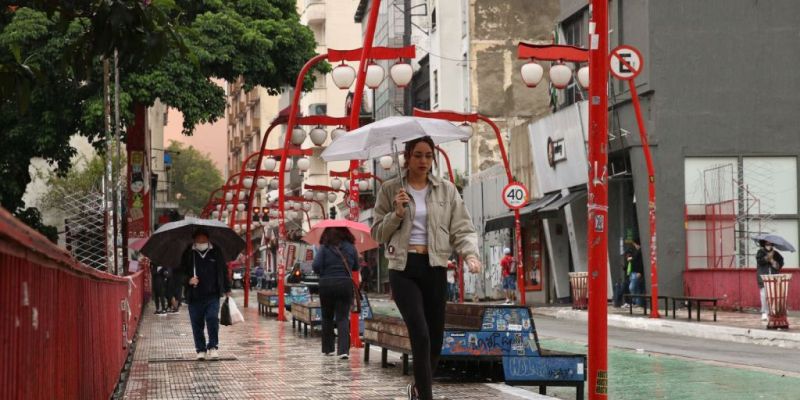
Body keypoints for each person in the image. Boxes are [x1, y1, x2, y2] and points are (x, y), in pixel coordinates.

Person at [372, 136, 482, 400]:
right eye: (418, 155)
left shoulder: (446, 189)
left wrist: (470, 255)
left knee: (435, 339)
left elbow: (462, 228)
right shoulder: (390, 190)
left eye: (428, 156)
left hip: (434, 266)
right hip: (403, 267)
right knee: (420, 334)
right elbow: (377, 233)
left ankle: (419, 388)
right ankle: (425, 397)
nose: (423, 161)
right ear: (407, 157)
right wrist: (396, 213)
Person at [178, 228, 232, 361]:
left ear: (208, 239)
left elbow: (223, 271)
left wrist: (227, 288)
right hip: (194, 296)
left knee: (212, 319)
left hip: (212, 295)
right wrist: (188, 280)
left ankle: (213, 346)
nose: (201, 241)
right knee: (197, 323)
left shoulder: (216, 252)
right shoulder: (188, 253)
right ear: (194, 240)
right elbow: (179, 273)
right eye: (198, 239)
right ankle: (200, 349)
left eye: (203, 239)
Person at [312, 227, 359, 360]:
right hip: (344, 284)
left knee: (327, 317)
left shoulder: (325, 247)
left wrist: (323, 271)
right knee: (343, 317)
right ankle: (343, 350)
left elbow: (315, 266)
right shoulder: (351, 247)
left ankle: (328, 348)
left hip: (326, 284)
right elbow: (356, 266)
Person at [756, 240, 784, 321]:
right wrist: (767, 257)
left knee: (773, 295)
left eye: (770, 244)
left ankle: (772, 311)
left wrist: (772, 261)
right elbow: (760, 261)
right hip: (763, 277)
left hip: (774, 277)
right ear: (763, 244)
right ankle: (764, 312)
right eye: (766, 243)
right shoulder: (760, 252)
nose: (768, 245)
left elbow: (779, 265)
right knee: (764, 295)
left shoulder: (776, 254)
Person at [628, 239, 645, 307]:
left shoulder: (640, 252)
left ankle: (635, 301)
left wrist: (640, 272)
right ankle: (637, 303)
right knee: (636, 288)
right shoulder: (637, 251)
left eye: (634, 244)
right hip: (634, 272)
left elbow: (640, 263)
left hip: (637, 272)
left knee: (632, 287)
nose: (634, 245)